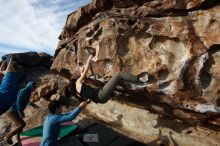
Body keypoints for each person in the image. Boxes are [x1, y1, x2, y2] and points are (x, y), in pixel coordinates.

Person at [65, 55, 148, 103]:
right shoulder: (77, 83)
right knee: (119, 75)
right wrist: (89, 59)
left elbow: (83, 78)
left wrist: (81, 72)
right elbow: (85, 72)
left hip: (101, 100)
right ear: (72, 83)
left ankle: (119, 93)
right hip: (102, 94)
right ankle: (139, 79)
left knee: (109, 84)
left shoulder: (77, 94)